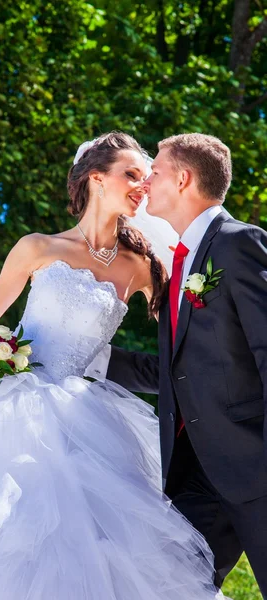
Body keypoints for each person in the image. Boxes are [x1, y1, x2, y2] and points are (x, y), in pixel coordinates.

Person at [0, 133, 227, 599]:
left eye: (146, 175)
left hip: (87, 416)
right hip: (15, 406)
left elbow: (183, 339)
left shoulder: (142, 266)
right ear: (97, 179)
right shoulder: (39, 247)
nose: (142, 185)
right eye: (132, 174)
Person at [107, 133, 267, 598]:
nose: (145, 183)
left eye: (152, 172)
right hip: (197, 476)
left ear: (182, 179)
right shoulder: (178, 265)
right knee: (161, 586)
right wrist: (83, 357)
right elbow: (179, 370)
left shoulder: (239, 243)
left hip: (255, 469)